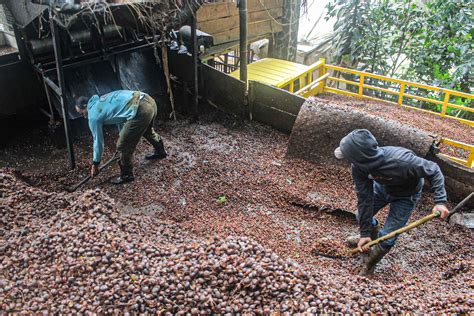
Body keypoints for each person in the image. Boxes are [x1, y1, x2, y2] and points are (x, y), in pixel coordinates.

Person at [334, 129, 449, 275]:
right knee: (361, 215)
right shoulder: (358, 167)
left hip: (406, 196)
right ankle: (371, 240)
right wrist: (364, 233)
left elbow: (434, 170)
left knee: (388, 236)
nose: (348, 161)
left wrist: (440, 201)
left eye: (349, 157)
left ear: (361, 157)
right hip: (382, 189)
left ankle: (369, 265)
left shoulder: (402, 161)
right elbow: (364, 199)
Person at [75, 90, 167, 184]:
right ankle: (161, 151)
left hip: (140, 109)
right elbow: (120, 116)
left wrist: (95, 164)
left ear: (85, 106)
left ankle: (127, 175)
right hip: (148, 100)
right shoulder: (102, 100)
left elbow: (98, 141)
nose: (84, 116)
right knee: (147, 130)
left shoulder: (93, 116)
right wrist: (122, 134)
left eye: (81, 113)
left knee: (122, 145)